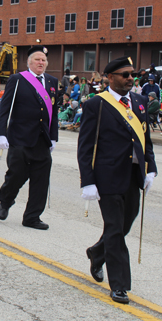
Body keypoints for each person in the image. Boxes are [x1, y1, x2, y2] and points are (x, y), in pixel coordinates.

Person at [78, 56, 156, 305]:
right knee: (114, 229)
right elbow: (86, 146)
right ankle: (120, 285)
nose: (130, 78)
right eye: (124, 75)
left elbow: (146, 140)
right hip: (107, 176)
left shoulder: (140, 102)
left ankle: (96, 252)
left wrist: (150, 169)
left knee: (125, 225)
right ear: (109, 78)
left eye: (132, 74)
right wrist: (87, 181)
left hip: (133, 175)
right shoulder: (96, 105)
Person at [0, 46, 58, 230]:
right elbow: (4, 109)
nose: (41, 62)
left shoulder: (52, 82)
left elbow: (54, 113)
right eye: (38, 59)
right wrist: (1, 134)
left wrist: (53, 137)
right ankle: (6, 201)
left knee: (41, 180)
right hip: (20, 139)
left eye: (44, 60)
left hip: (42, 140)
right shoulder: (17, 80)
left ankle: (32, 217)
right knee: (16, 176)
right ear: (29, 62)